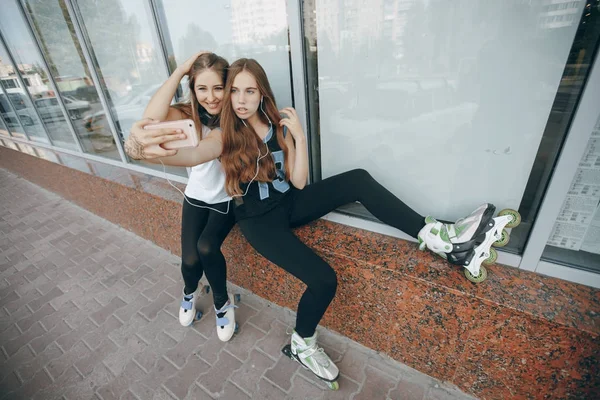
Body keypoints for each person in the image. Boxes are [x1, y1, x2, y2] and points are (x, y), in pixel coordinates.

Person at [129, 57, 519, 386]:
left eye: (249, 91)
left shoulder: (274, 122)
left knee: (358, 179)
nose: (240, 99)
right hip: (259, 223)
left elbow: (298, 181)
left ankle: (441, 238)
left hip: (289, 203)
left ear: (262, 93)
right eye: (234, 92)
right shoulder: (225, 136)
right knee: (324, 279)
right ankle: (302, 342)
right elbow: (194, 155)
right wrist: (146, 153)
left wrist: (296, 137)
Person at [123, 52, 238, 342]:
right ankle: (191, 290)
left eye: (217, 88)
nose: (211, 97)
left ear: (228, 86)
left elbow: (204, 151)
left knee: (207, 248)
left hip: (226, 201)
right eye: (202, 88)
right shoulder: (189, 114)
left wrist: (145, 155)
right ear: (193, 89)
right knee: (189, 261)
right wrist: (180, 71)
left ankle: (222, 303)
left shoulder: (236, 119)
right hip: (196, 197)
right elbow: (150, 118)